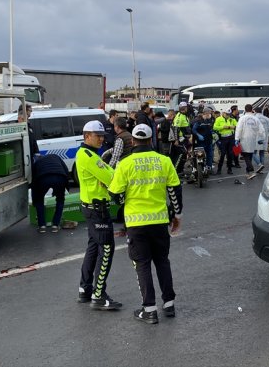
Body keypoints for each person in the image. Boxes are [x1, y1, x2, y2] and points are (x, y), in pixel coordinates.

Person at [108, 124, 183, 324]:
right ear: (151, 140)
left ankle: (149, 310)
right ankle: (169, 305)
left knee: (142, 265)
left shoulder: (125, 164)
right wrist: (176, 215)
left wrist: (124, 204)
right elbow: (175, 191)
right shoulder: (164, 161)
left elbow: (115, 194)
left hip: (136, 224)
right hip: (159, 222)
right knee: (162, 261)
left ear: (132, 141)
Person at [75, 120, 122, 310]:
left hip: (92, 208)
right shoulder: (88, 155)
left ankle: (85, 289)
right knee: (107, 250)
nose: (102, 139)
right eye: (98, 136)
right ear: (87, 136)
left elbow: (108, 174)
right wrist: (112, 176)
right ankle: (99, 294)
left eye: (103, 136)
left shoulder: (88, 154)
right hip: (97, 210)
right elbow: (112, 177)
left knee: (93, 249)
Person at [31, 154, 70, 233]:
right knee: (60, 200)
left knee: (39, 201)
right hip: (60, 177)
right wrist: (66, 186)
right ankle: (55, 225)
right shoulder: (55, 156)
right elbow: (66, 170)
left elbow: (33, 179)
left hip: (43, 178)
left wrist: (35, 199)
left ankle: (42, 226)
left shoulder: (37, 162)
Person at [235, 104, 265, 180]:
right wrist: (262, 138)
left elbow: (239, 129)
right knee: (250, 155)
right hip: (253, 139)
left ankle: (251, 171)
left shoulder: (242, 118)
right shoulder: (255, 119)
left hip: (244, 139)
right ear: (252, 110)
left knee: (246, 156)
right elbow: (261, 129)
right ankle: (248, 172)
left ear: (245, 110)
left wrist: (236, 138)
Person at [170, 102, 192, 176]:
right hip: (180, 139)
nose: (186, 109)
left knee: (184, 154)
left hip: (185, 138)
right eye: (185, 107)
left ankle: (180, 170)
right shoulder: (179, 116)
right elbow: (176, 128)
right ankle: (175, 171)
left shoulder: (185, 115)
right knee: (181, 154)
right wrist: (176, 140)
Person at [213, 109, 236, 175]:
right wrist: (223, 127)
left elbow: (237, 125)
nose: (228, 116)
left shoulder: (231, 119)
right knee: (222, 154)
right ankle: (219, 169)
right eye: (226, 114)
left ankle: (229, 169)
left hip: (231, 138)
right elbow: (215, 127)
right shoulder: (218, 119)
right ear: (223, 113)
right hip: (223, 138)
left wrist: (233, 127)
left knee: (230, 154)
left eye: (229, 114)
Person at [192, 108, 215, 174]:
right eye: (209, 113)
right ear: (206, 113)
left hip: (209, 141)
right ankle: (200, 169)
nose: (210, 114)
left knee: (210, 155)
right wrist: (198, 135)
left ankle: (209, 168)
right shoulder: (198, 120)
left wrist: (213, 133)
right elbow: (194, 130)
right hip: (201, 142)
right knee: (200, 155)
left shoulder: (209, 120)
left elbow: (210, 128)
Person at [253, 106, 269, 173]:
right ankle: (261, 168)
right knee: (262, 153)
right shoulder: (266, 119)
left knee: (253, 152)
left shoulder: (254, 118)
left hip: (255, 138)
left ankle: (259, 165)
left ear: (255, 111)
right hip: (264, 138)